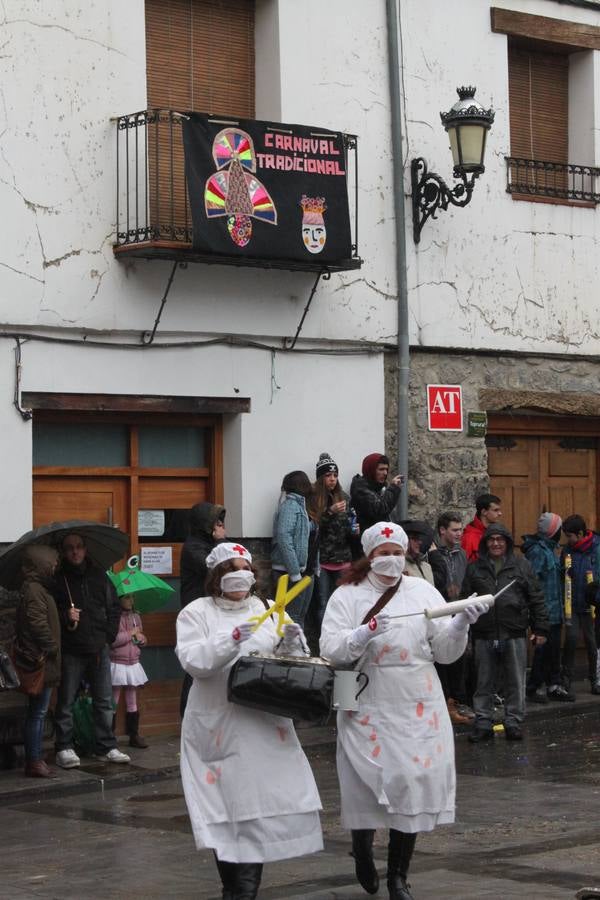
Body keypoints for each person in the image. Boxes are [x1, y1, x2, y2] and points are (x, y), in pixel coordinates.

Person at [320, 522, 487, 900]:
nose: (392, 560)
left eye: (398, 553)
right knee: (366, 779)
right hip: (365, 692)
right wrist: (364, 633)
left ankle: (399, 875)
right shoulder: (347, 595)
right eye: (384, 553)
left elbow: (444, 652)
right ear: (369, 555)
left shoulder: (422, 590)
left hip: (416, 696)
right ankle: (362, 847)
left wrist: (460, 624)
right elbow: (331, 649)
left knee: (410, 781)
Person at [176, 542, 323, 900]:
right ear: (216, 578)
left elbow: (292, 664)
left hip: (261, 725)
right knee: (225, 807)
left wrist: (292, 642)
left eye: (244, 568)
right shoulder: (196, 613)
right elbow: (195, 662)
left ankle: (244, 890)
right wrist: (230, 639)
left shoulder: (270, 610)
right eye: (229, 570)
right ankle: (234, 885)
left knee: (256, 807)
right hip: (218, 725)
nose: (238, 576)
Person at [462, 523, 549, 743]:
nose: (496, 543)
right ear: (485, 543)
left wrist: (540, 628)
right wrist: (464, 632)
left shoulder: (521, 565)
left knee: (515, 680)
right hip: (484, 632)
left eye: (500, 539)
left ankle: (513, 721)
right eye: (491, 539)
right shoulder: (474, 568)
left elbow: (536, 597)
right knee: (483, 681)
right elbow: (464, 601)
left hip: (514, 631)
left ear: (508, 543)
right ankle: (483, 722)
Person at [52, 533, 130, 768]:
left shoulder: (99, 576)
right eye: (70, 548)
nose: (75, 552)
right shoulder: (58, 580)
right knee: (66, 700)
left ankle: (105, 746)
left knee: (104, 700)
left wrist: (108, 635)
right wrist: (66, 615)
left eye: (79, 547)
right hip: (71, 648)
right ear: (63, 552)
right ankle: (64, 746)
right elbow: (50, 615)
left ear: (86, 550)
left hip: (98, 647)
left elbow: (114, 607)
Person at [15, 546, 61, 778]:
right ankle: (34, 760)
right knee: (38, 712)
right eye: (51, 563)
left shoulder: (37, 588)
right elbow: (37, 623)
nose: (54, 567)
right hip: (40, 661)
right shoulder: (34, 590)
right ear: (41, 565)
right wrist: (52, 647)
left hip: (43, 659)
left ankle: (36, 759)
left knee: (39, 711)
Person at [179, 502, 226, 717]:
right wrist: (222, 542)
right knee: (196, 664)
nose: (221, 525)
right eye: (216, 521)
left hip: (212, 610)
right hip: (197, 612)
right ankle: (188, 714)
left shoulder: (206, 544)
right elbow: (217, 569)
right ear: (205, 525)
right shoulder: (193, 547)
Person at [522, 512, 574, 703]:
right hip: (543, 611)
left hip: (555, 609)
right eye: (559, 528)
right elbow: (532, 580)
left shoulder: (551, 549)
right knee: (542, 651)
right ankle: (533, 687)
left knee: (553, 650)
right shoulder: (538, 551)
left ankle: (554, 684)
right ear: (553, 531)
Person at [434, 513, 474, 726]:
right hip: (441, 612)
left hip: (459, 611)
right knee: (443, 659)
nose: (459, 533)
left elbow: (465, 580)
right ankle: (445, 702)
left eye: (461, 529)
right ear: (442, 530)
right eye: (455, 530)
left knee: (462, 658)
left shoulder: (462, 555)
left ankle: (458, 700)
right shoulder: (433, 554)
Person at [309, 452, 353, 628]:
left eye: (335, 475)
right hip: (323, 561)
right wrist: (330, 512)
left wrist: (354, 530)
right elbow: (314, 528)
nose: (332, 479)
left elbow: (348, 526)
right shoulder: (313, 499)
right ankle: (324, 640)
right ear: (320, 478)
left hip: (343, 558)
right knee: (323, 603)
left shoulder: (345, 497)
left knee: (344, 603)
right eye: (328, 475)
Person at [560, 514, 600, 696]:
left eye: (570, 536)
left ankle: (595, 679)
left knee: (592, 643)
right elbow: (563, 575)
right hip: (573, 604)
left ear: (581, 533)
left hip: (593, 605)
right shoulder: (568, 551)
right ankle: (566, 680)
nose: (567, 540)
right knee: (571, 639)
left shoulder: (596, 549)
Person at [271, 470, 315, 628]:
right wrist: (295, 571)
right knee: (291, 619)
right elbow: (284, 537)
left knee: (298, 617)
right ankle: (292, 651)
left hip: (299, 570)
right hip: (288, 572)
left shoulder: (299, 504)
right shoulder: (290, 505)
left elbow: (300, 530)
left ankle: (299, 649)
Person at [110, 593, 149, 748]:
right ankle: (109, 734)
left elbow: (141, 638)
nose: (131, 601)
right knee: (114, 698)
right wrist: (130, 634)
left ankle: (134, 734)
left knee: (132, 699)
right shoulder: (114, 617)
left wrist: (142, 640)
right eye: (127, 597)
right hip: (118, 662)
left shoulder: (136, 617)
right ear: (119, 599)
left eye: (133, 597)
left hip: (133, 662)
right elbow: (113, 640)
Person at [350, 453, 404, 534]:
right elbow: (380, 510)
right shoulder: (360, 489)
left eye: (386, 469)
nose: (385, 473)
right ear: (371, 470)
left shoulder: (381, 487)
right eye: (381, 469)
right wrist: (393, 489)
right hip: (369, 540)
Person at [461, 493, 502, 563]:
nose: (500, 513)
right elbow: (463, 566)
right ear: (484, 512)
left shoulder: (499, 531)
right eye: (496, 510)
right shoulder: (469, 538)